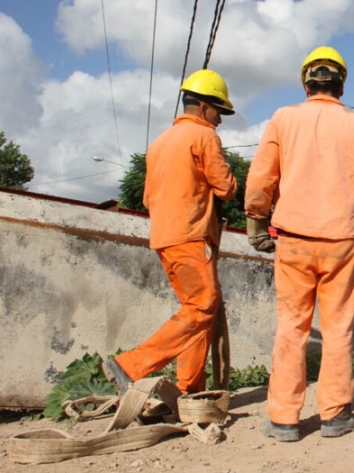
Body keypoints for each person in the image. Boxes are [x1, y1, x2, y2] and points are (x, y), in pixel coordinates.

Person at [244, 46, 354, 442]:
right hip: (342, 242)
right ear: (341, 84)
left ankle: (283, 420)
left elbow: (261, 179)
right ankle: (336, 416)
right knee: (338, 328)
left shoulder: (283, 118)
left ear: (306, 82)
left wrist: (256, 220)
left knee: (291, 329)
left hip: (293, 241)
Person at [103, 69, 238, 395]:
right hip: (192, 236)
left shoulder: (159, 143)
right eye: (219, 110)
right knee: (202, 307)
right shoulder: (204, 137)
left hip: (166, 237)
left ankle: (188, 391)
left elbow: (148, 197)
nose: (220, 119)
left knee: (197, 313)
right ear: (205, 106)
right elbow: (227, 188)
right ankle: (130, 365)